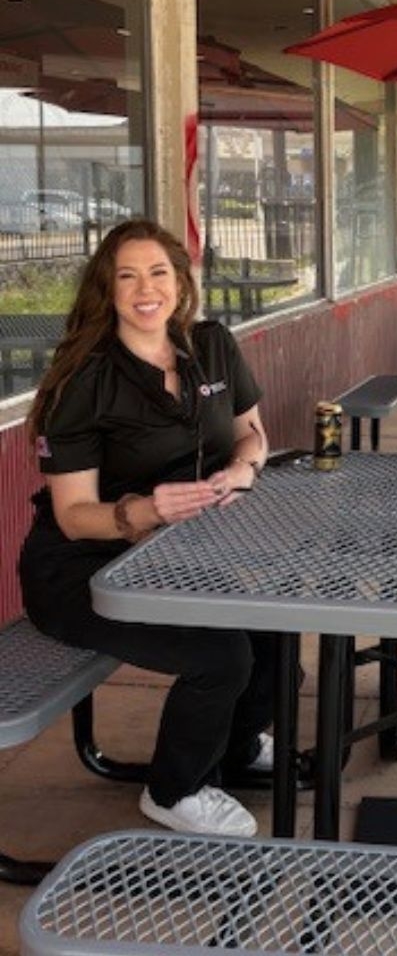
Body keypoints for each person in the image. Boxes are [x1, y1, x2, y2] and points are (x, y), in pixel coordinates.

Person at [19, 219, 273, 838]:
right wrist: (139, 513)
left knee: (277, 640)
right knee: (220, 656)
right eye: (126, 277)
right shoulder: (84, 381)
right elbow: (74, 515)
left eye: (158, 272)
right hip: (83, 570)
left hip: (178, 554)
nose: (145, 289)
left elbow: (253, 433)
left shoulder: (211, 344)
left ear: (181, 282)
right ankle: (174, 790)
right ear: (107, 291)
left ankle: (232, 748)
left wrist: (242, 469)